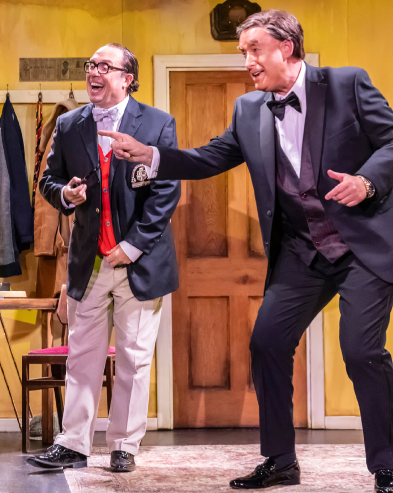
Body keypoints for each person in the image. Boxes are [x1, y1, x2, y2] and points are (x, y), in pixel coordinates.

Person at [100, 10, 393, 492]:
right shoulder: (249, 109)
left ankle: (387, 464)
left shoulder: (347, 85)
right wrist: (152, 155)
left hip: (362, 245)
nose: (247, 62)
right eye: (243, 53)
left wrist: (366, 182)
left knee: (361, 351)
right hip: (302, 252)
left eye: (254, 50)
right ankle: (280, 461)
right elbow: (208, 158)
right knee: (267, 344)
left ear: (286, 47)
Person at [31, 43, 181, 473]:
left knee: (134, 357)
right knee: (82, 356)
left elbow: (166, 191)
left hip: (141, 262)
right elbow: (48, 181)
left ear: (126, 78)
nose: (93, 72)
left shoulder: (157, 123)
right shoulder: (69, 124)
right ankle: (73, 443)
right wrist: (66, 194)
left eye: (103, 66)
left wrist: (132, 245)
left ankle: (124, 446)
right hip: (89, 262)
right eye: (90, 66)